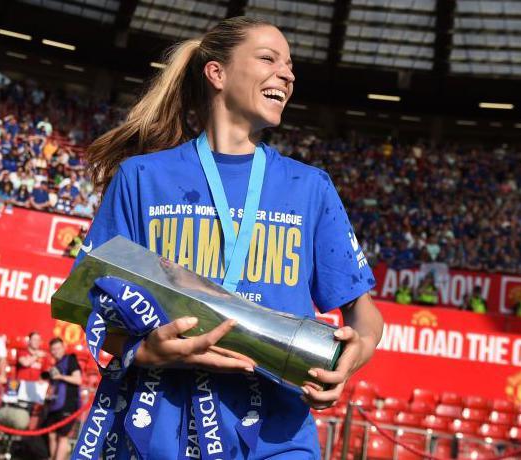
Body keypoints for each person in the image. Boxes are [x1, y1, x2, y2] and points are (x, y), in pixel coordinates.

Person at [71, 17, 383, 458]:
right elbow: (89, 305)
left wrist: (356, 354)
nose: (288, 74)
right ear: (217, 73)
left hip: (276, 434)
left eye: (290, 64)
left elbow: (363, 314)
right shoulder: (142, 178)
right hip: (161, 426)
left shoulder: (309, 187)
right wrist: (144, 351)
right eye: (269, 58)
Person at [43, 338, 80, 460]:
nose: (55, 351)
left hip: (68, 404)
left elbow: (77, 379)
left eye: (58, 348)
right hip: (55, 404)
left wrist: (60, 376)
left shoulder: (71, 360)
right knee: (52, 434)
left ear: (63, 348)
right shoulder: (56, 365)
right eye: (53, 349)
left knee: (62, 436)